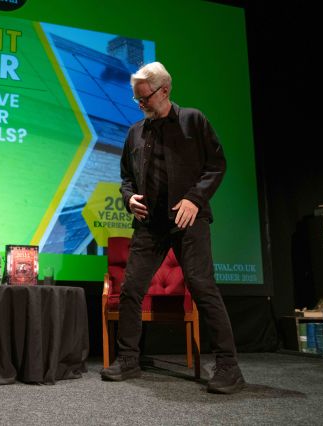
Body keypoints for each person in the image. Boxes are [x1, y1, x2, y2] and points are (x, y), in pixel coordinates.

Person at [100, 62, 245, 394]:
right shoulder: (135, 132)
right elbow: (126, 177)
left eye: (144, 98)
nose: (140, 104)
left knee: (202, 286)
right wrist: (129, 199)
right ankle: (129, 359)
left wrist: (195, 198)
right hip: (150, 224)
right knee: (131, 288)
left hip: (187, 219)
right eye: (136, 99)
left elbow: (216, 165)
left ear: (164, 90)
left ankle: (229, 366)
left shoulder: (193, 120)